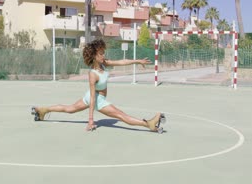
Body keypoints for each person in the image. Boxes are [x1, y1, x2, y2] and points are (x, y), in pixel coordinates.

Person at [32, 39, 164, 132]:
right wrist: (91, 120)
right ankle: (149, 124)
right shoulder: (93, 74)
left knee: (69, 109)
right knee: (121, 115)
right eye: (101, 53)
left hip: (92, 97)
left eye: (103, 52)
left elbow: (122, 61)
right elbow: (93, 100)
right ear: (94, 56)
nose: (103, 55)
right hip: (96, 100)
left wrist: (137, 60)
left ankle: (43, 110)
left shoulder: (103, 64)